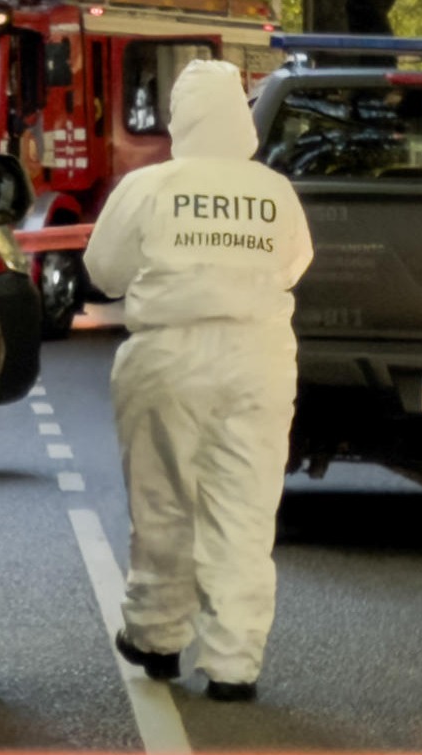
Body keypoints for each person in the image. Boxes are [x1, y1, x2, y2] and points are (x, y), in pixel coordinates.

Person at [83, 59, 314, 703]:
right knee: (245, 506)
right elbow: (294, 266)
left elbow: (104, 270)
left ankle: (157, 639)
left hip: (167, 356)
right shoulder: (275, 192)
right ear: (240, 120)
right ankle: (235, 664)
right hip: (259, 358)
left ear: (181, 119)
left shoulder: (150, 186)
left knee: (163, 501)